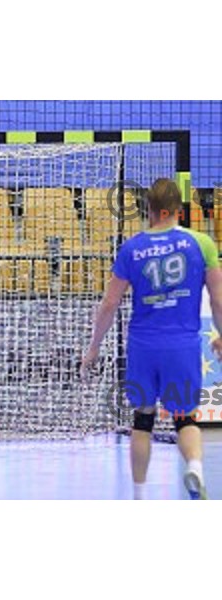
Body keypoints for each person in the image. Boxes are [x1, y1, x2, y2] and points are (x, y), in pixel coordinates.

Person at [81, 178, 222, 499]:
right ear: (177, 210)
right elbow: (217, 299)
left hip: (143, 347)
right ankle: (196, 468)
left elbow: (109, 304)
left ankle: (139, 496)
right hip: (183, 346)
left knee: (142, 421)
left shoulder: (132, 248)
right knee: (185, 419)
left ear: (150, 211)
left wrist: (93, 347)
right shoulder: (202, 243)